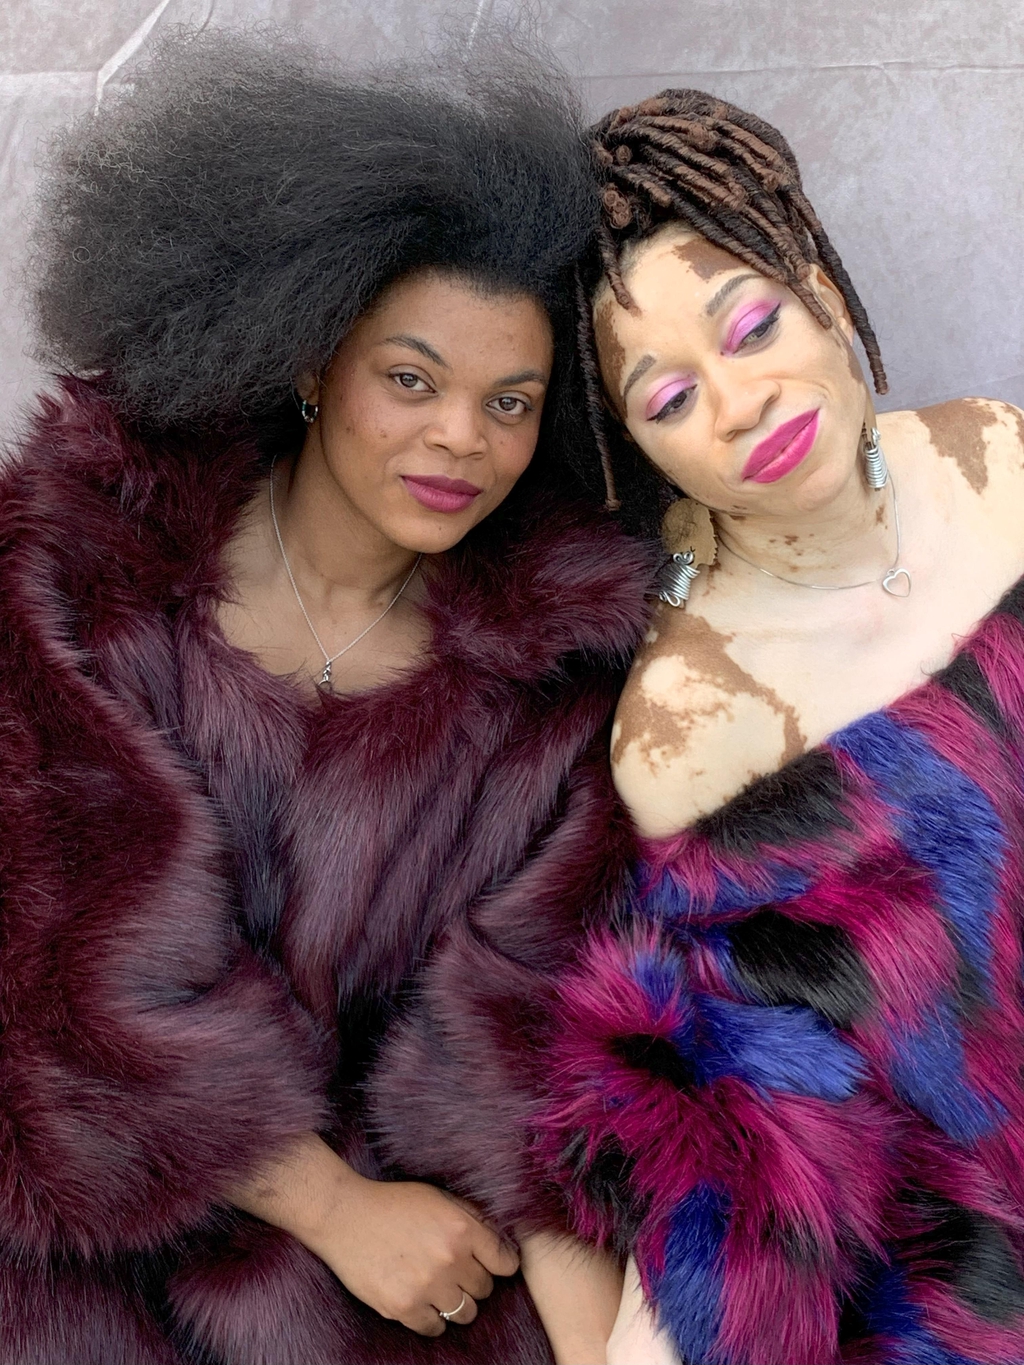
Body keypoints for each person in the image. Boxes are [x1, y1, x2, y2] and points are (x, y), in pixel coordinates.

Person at [0, 28, 649, 1365]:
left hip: (388, 1293)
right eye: (411, 379)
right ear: (311, 362)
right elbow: (39, 975)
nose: (461, 436)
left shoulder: (548, 691)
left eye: (511, 402)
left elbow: (522, 1040)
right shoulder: (80, 567)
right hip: (71, 1270)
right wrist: (328, 1206)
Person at [373, 89, 1024, 1364]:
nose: (739, 405)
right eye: (669, 400)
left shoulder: (1000, 455)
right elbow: (773, 1103)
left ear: (819, 289)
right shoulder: (691, 725)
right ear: (640, 455)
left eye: (752, 326)